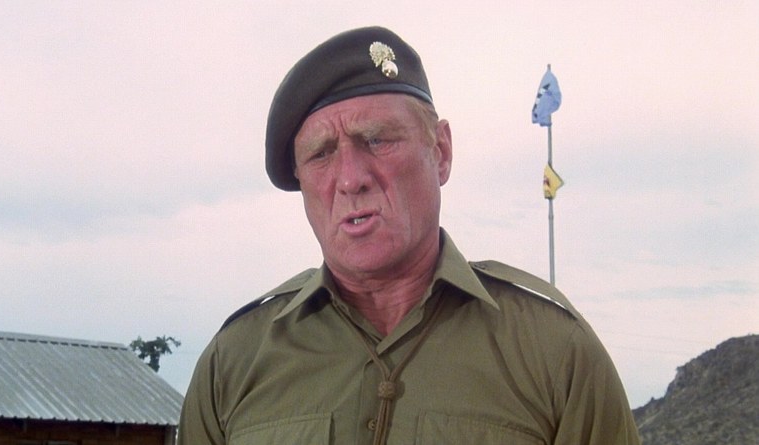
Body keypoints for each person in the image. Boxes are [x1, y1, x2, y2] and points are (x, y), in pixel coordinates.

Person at [178, 26, 640, 445]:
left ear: (441, 152)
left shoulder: (554, 352)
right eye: (321, 153)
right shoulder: (233, 363)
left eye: (377, 140)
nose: (350, 178)